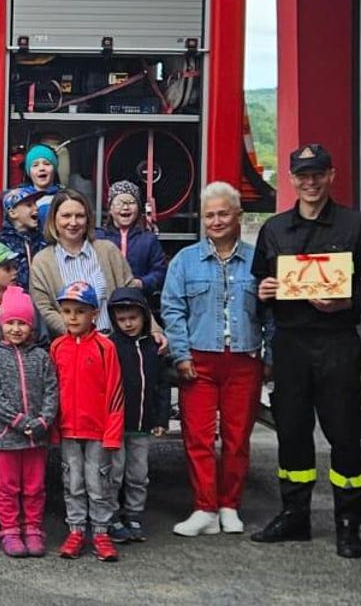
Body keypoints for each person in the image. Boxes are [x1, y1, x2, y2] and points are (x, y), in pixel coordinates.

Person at [250, 144, 361, 559]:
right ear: (291, 179)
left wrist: (346, 300)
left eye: (318, 175)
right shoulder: (275, 229)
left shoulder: (356, 226)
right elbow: (259, 281)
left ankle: (348, 524)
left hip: (337, 343)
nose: (310, 183)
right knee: (293, 435)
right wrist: (263, 291)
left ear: (331, 176)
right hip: (291, 344)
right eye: (302, 176)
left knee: (344, 436)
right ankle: (294, 516)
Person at [162, 181, 267, 539]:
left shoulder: (259, 258)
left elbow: (273, 312)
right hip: (199, 362)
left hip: (244, 359)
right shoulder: (185, 261)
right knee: (199, 438)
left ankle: (229, 506)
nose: (217, 220)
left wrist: (270, 354)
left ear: (238, 216)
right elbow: (172, 310)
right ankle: (204, 507)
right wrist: (181, 355)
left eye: (224, 213)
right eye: (210, 215)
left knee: (238, 439)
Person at [0, 285, 57, 559]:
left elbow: (51, 390)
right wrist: (16, 420)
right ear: (1, 325)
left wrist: (44, 420)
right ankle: (10, 529)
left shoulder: (41, 357)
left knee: (35, 486)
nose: (16, 329)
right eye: (10, 323)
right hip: (6, 437)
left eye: (22, 323)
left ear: (31, 326)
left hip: (36, 436)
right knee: (8, 486)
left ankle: (33, 528)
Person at [50, 280, 124, 563]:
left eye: (79, 311)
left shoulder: (106, 347)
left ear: (94, 313)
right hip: (69, 429)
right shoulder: (57, 347)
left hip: (98, 430)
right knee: (73, 481)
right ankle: (76, 530)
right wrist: (55, 429)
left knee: (98, 482)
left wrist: (112, 432)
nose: (72, 317)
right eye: (66, 311)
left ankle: (101, 532)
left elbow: (116, 391)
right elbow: (52, 390)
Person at [104, 286, 167, 545]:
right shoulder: (109, 346)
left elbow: (161, 384)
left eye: (133, 317)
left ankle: (134, 515)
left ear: (144, 316)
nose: (128, 324)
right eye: (121, 319)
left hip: (143, 424)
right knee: (113, 473)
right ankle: (110, 516)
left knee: (138, 474)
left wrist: (161, 418)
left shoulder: (154, 347)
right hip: (116, 424)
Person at [29, 191, 132, 337]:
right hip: (71, 347)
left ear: (88, 219)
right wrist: (80, 336)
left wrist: (153, 329)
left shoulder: (108, 250)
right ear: (54, 220)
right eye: (66, 216)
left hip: (114, 345)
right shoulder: (42, 261)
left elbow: (131, 293)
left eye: (80, 216)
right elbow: (44, 309)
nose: (73, 222)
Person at [94, 180, 168, 296]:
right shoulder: (98, 237)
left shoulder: (148, 240)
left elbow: (160, 272)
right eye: (119, 202)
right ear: (110, 209)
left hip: (137, 301)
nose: (126, 207)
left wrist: (142, 283)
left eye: (131, 202)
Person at [0, 187, 51, 290]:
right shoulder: (1, 242)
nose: (36, 208)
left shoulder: (42, 238)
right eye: (29, 205)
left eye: (35, 203)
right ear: (12, 213)